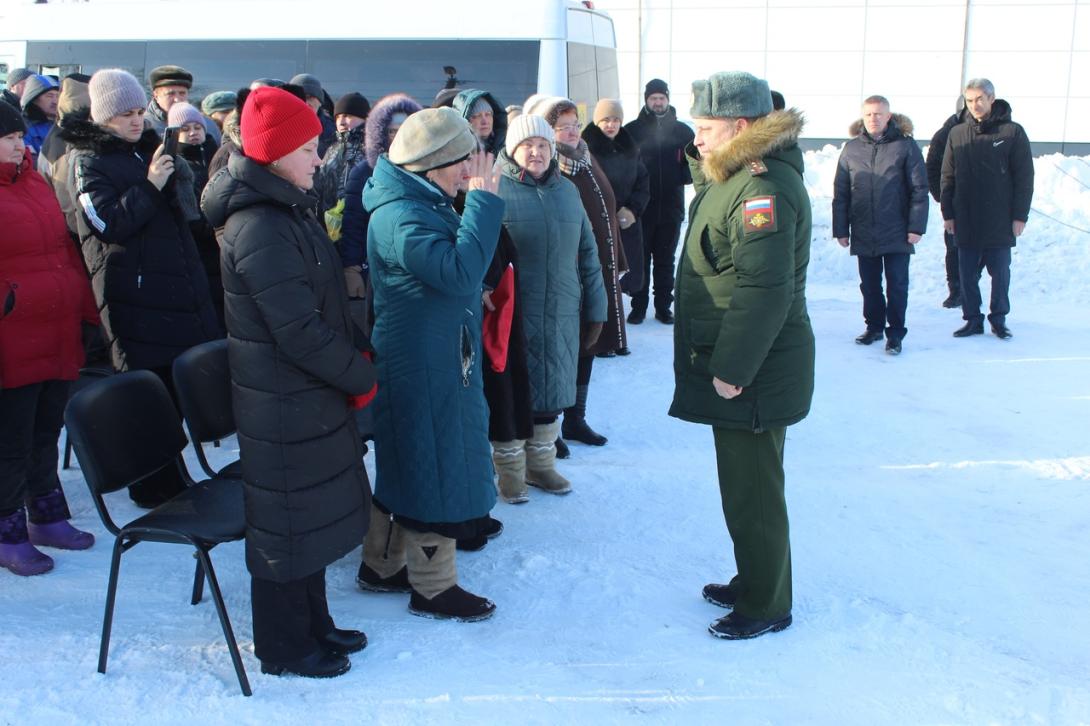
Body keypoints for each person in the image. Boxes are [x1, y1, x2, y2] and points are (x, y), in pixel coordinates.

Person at [201, 86, 376, 679]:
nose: (319, 158)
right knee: (286, 528)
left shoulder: (289, 207)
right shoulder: (259, 226)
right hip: (280, 402)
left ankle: (314, 624)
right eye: (308, 148)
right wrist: (358, 374)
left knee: (313, 518)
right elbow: (298, 331)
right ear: (275, 155)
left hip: (305, 396)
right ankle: (282, 646)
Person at [671, 71, 814, 640]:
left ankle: (766, 603)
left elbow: (763, 288)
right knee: (741, 484)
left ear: (743, 128)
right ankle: (755, 575)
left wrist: (733, 369)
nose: (697, 138)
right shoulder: (735, 175)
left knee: (754, 489)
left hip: (753, 371)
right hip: (744, 366)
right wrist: (706, 153)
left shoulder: (761, 190)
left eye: (706, 128)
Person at [360, 107, 503, 621]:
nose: (470, 171)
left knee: (413, 457)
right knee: (432, 464)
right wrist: (484, 203)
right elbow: (460, 272)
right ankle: (433, 587)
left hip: (431, 353)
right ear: (433, 164)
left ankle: (379, 565)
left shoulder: (418, 200)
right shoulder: (402, 214)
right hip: (422, 361)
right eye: (463, 161)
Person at [61, 68, 221, 508]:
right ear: (103, 118)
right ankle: (150, 483)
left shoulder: (146, 149)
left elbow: (177, 221)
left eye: (137, 112)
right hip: (131, 295)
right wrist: (151, 185)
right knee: (145, 393)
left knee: (170, 390)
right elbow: (107, 223)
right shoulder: (88, 158)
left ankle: (170, 476)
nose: (136, 121)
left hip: (169, 290)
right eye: (124, 115)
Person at [0, 103, 99, 577]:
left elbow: (62, 249)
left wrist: (82, 305)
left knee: (46, 429)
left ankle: (45, 514)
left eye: (20, 136)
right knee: (9, 440)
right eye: (8, 138)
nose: (21, 144)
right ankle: (7, 530)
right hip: (11, 337)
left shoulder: (34, 181)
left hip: (54, 330)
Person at [493, 113, 607, 498]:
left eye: (543, 145)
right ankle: (509, 469)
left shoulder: (568, 191)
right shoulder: (493, 189)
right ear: (512, 149)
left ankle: (541, 466)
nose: (537, 152)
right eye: (528, 145)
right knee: (510, 392)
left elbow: (588, 252)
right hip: (512, 313)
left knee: (553, 389)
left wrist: (597, 307)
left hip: (561, 307)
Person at [526, 95, 625, 450]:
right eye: (561, 126)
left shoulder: (584, 156)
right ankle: (549, 425)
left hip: (595, 269)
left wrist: (617, 259)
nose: (570, 131)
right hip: (568, 273)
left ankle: (575, 418)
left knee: (588, 344)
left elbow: (604, 210)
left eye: (574, 124)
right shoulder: (552, 168)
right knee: (560, 351)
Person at [833, 95, 928, 355]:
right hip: (864, 230)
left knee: (897, 284)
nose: (873, 119)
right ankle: (874, 326)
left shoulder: (905, 147)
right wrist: (841, 229)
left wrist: (916, 226)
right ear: (862, 117)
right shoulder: (851, 149)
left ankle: (895, 333)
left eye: (878, 114)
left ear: (888, 116)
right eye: (868, 114)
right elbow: (841, 192)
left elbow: (919, 188)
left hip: (897, 230)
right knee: (870, 284)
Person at [941, 78, 1033, 340]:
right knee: (967, 274)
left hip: (1000, 219)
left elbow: (1024, 178)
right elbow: (948, 176)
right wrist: (948, 214)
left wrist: (1019, 216)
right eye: (969, 100)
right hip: (967, 217)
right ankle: (972, 319)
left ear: (992, 99)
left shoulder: (1011, 132)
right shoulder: (957, 134)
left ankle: (999, 319)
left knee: (1000, 273)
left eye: (980, 99)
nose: (975, 105)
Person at [340, 93, 423, 302]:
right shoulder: (365, 172)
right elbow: (353, 223)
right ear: (380, 133)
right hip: (377, 271)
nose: (398, 137)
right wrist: (351, 269)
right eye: (392, 131)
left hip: (420, 269)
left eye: (404, 130)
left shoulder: (427, 170)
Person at [624, 79, 694, 325]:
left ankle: (664, 307)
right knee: (639, 260)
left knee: (665, 260)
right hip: (641, 209)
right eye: (653, 98)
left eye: (661, 98)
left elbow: (696, 165)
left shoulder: (683, 132)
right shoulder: (632, 130)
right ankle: (638, 307)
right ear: (646, 100)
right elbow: (623, 166)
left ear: (668, 99)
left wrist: (681, 175)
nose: (657, 102)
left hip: (671, 208)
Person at [583, 99, 649, 318]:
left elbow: (643, 182)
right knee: (600, 275)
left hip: (625, 222)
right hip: (597, 221)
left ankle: (618, 328)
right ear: (596, 121)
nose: (611, 125)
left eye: (615, 120)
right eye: (605, 120)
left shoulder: (629, 146)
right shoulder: (586, 148)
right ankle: (604, 327)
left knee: (623, 276)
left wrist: (632, 210)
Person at [168, 101, 223, 328]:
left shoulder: (217, 157)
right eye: (185, 129)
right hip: (199, 246)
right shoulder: (176, 164)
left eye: (197, 128)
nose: (193, 133)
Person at [926, 96, 968, 309]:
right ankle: (956, 290)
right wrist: (942, 198)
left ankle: (971, 287)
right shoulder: (945, 134)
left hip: (984, 202)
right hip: (954, 202)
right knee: (953, 248)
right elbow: (932, 168)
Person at [315, 91, 370, 222]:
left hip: (359, 225)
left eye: (348, 116)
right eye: (338, 117)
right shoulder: (331, 149)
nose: (342, 122)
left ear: (365, 119)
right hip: (327, 227)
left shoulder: (371, 151)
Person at [144, 65, 221, 145]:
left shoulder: (208, 125)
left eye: (182, 93)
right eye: (171, 94)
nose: (177, 99)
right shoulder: (143, 126)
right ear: (156, 96)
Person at [289, 73, 336, 157]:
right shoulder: (279, 127)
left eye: (310, 97)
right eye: (300, 97)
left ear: (320, 102)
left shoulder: (333, 132)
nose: (306, 103)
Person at [453, 89, 507, 155]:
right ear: (465, 120)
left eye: (488, 114)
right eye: (477, 116)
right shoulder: (455, 155)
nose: (485, 121)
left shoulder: (507, 151)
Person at [20, 74, 60, 161]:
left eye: (57, 96)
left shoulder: (63, 125)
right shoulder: (22, 128)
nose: (55, 101)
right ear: (33, 98)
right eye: (49, 96)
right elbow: (30, 163)